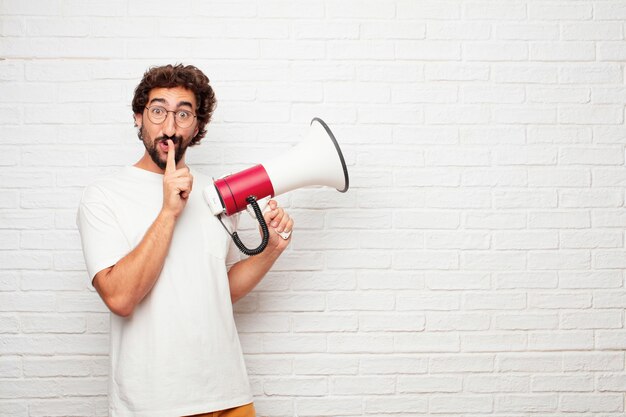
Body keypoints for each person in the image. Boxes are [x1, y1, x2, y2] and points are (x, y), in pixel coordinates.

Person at [76, 64, 293, 417]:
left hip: (229, 394)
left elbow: (216, 288)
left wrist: (269, 251)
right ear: (138, 117)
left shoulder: (217, 194)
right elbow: (119, 297)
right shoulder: (103, 196)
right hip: (155, 403)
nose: (169, 127)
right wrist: (167, 213)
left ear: (198, 126)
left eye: (184, 114)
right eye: (158, 111)